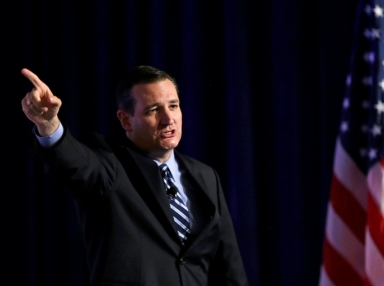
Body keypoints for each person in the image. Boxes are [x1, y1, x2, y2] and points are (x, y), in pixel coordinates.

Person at [21, 66, 248, 286]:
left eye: (174, 106)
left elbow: (229, 265)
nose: (169, 119)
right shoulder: (109, 164)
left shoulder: (206, 176)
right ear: (126, 120)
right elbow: (76, 164)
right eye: (153, 110)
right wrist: (49, 124)